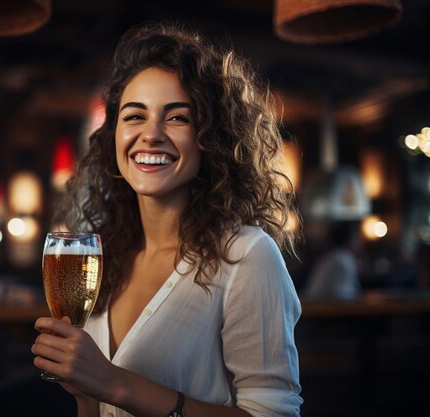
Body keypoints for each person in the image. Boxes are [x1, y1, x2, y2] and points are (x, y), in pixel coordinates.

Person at [32, 22, 303, 417]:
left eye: (177, 118)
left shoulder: (246, 255)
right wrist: (86, 395)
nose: (151, 134)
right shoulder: (107, 255)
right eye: (134, 116)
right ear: (114, 136)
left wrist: (114, 383)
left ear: (211, 138)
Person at [303, 221, 361, 300]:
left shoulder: (334, 256)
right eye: (356, 237)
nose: (359, 241)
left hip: (316, 306)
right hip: (319, 309)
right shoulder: (342, 259)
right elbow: (340, 295)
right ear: (348, 239)